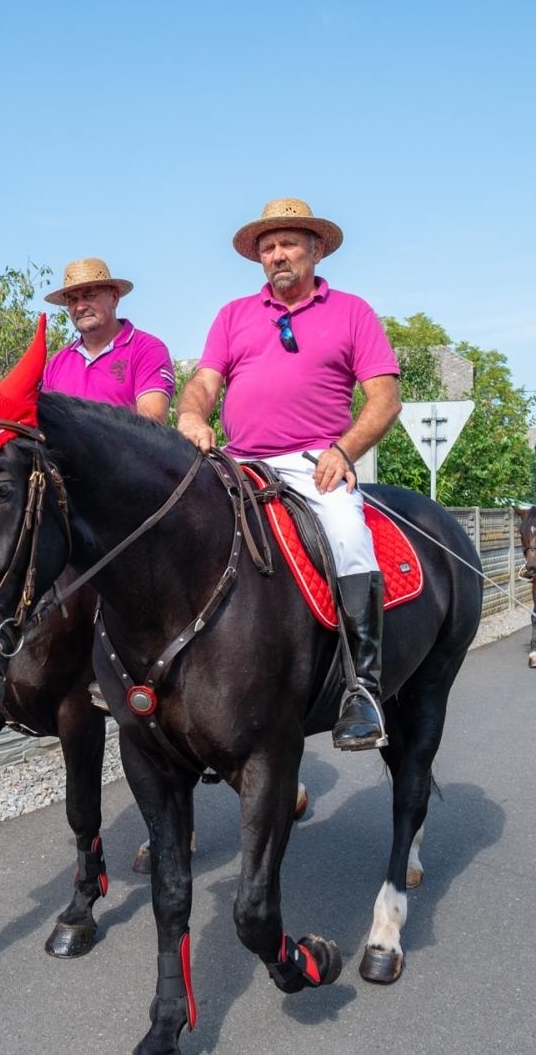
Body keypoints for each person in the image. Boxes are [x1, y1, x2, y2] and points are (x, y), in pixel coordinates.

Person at [177, 198, 401, 751]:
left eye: (289, 244)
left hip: (314, 464)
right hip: (237, 460)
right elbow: (205, 382)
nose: (277, 255)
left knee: (350, 541)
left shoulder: (352, 312)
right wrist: (189, 415)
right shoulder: (232, 315)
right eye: (268, 247)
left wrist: (345, 451)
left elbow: (385, 400)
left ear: (316, 250)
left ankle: (362, 691)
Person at [41, 258, 175, 421]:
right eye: (73, 299)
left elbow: (152, 426)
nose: (80, 307)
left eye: (89, 295)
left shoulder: (147, 350)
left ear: (114, 297)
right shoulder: (56, 363)